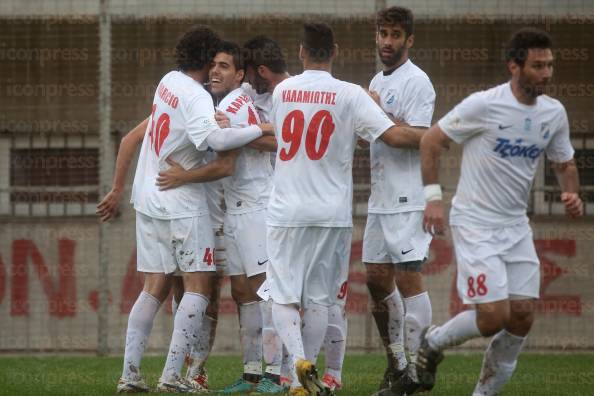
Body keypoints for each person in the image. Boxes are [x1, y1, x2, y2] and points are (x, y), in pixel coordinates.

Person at [97, 25, 274, 393]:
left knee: (154, 287)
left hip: (147, 199)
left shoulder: (168, 82)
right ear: (207, 59)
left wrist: (117, 189)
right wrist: (262, 127)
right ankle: (173, 375)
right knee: (198, 285)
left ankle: (130, 375)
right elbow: (217, 141)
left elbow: (136, 136)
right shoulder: (196, 97)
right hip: (181, 204)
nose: (216, 70)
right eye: (215, 62)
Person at [416, 27, 583, 395]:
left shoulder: (554, 113)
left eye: (550, 65)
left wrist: (571, 193)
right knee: (493, 316)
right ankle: (432, 343)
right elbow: (431, 141)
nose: (547, 73)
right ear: (514, 66)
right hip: (475, 221)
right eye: (538, 66)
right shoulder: (484, 105)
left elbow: (564, 162)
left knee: (521, 317)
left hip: (515, 227)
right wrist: (432, 199)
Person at [264, 21, 427, 396]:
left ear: (301, 51)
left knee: (283, 296)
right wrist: (432, 135)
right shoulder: (351, 94)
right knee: (322, 300)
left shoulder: (283, 90)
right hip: (331, 215)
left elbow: (282, 137)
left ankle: (297, 366)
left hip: (285, 211)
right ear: (335, 51)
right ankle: (313, 374)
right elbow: (392, 135)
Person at [158, 40, 284, 394]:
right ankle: (252, 373)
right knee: (243, 291)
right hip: (234, 211)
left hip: (257, 204)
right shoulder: (229, 100)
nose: (215, 71)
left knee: (266, 290)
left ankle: (277, 373)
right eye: (212, 65)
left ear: (240, 74)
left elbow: (278, 139)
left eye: (224, 66)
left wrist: (233, 134)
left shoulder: (232, 102)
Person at [362, 6, 436, 395]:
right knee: (375, 280)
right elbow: (377, 133)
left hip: (407, 198)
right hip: (380, 198)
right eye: (382, 34)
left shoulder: (418, 82)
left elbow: (417, 136)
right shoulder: (376, 79)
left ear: (409, 40)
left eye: (395, 35)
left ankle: (417, 373)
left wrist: (375, 114)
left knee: (408, 279)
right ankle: (398, 364)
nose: (387, 42)